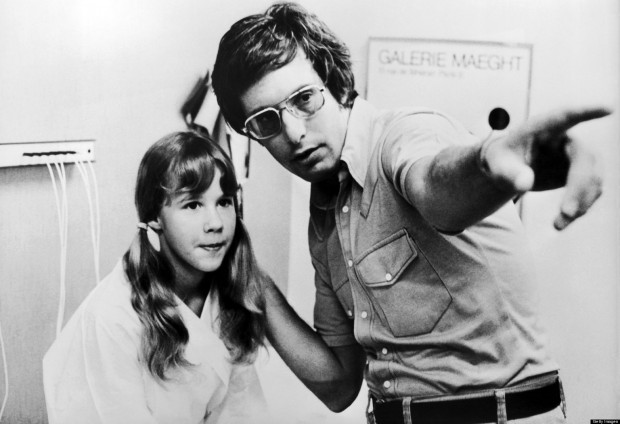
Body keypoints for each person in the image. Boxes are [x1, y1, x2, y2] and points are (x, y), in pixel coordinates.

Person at [211, 3, 613, 424]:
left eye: (305, 99)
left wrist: (487, 160)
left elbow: (436, 189)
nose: (293, 132)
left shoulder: (404, 135)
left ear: (334, 82)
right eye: (266, 121)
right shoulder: (325, 219)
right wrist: (250, 275)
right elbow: (338, 385)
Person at [43, 131, 271, 424]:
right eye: (193, 205)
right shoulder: (112, 318)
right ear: (154, 217)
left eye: (224, 202)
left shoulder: (226, 291)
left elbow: (242, 410)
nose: (216, 223)